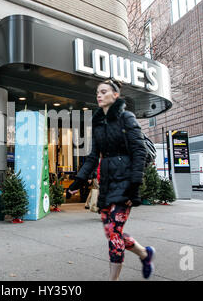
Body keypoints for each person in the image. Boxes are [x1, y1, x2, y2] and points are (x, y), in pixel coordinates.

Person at [67, 80, 155, 281]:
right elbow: (92, 157)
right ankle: (144, 254)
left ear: (115, 95)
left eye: (104, 91)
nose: (99, 95)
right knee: (111, 232)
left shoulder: (127, 118)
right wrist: (78, 182)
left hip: (125, 184)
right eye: (98, 92)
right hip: (107, 184)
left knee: (114, 234)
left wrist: (134, 187)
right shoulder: (98, 124)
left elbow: (139, 152)